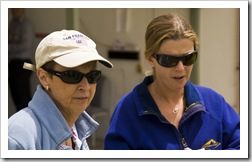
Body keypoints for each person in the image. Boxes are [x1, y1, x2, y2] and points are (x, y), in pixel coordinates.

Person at [104, 13, 240, 150]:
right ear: (150, 59)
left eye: (188, 58)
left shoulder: (215, 104)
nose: (180, 68)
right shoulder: (127, 111)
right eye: (170, 60)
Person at [8, 29, 113, 150]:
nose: (86, 86)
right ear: (44, 77)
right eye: (72, 75)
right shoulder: (17, 139)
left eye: (92, 76)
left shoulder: (77, 130)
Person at [8, 8, 35, 112]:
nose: (14, 10)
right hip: (13, 63)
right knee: (16, 97)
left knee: (23, 97)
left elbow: (26, 45)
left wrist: (7, 46)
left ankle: (27, 123)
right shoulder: (12, 23)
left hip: (24, 63)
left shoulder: (26, 24)